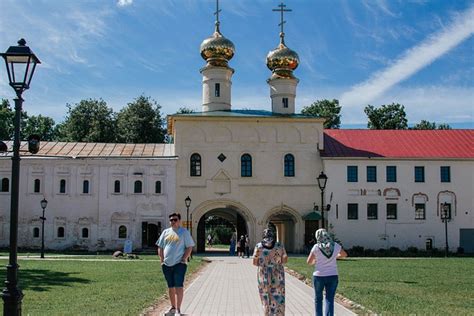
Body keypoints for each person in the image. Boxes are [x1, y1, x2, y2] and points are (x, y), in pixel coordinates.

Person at [157, 213, 195, 316]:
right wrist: (162, 260)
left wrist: (184, 259)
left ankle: (178, 310)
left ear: (179, 220)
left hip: (179, 264)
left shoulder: (184, 232)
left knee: (178, 286)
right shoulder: (165, 232)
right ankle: (173, 308)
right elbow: (160, 246)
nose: (173, 221)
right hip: (166, 264)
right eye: (171, 220)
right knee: (170, 287)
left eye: (175, 219)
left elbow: (189, 247)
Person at [306, 228, 347, 316]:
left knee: (318, 299)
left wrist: (315, 261)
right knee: (329, 299)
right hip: (333, 275)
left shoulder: (316, 247)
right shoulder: (335, 245)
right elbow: (344, 254)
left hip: (319, 276)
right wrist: (334, 257)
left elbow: (309, 262)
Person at [253, 228, 288, 316]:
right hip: (277, 274)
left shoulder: (259, 246)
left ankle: (266, 313)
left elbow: (254, 262)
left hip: (263, 275)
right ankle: (277, 313)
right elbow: (285, 260)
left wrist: (264, 263)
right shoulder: (279, 245)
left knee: (265, 296)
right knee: (278, 295)